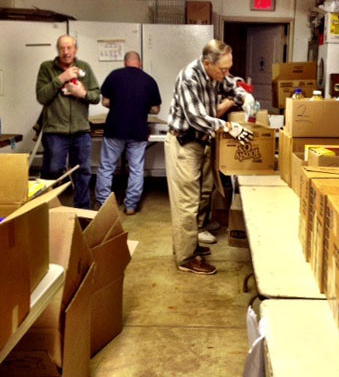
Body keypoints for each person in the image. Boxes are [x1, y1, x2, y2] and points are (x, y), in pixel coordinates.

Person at [165, 39, 255, 275]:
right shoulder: (189, 79)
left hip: (200, 142)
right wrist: (228, 127)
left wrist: (243, 96)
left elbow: (231, 83)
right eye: (222, 69)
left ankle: (189, 245)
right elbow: (196, 117)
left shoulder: (214, 74)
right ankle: (186, 258)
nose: (225, 73)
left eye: (228, 68)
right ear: (207, 63)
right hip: (184, 143)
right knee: (187, 202)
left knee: (198, 198)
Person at [36, 34, 100, 209]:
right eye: (62, 48)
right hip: (55, 132)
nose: (66, 52)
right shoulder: (46, 68)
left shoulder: (84, 68)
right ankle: (47, 208)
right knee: (53, 171)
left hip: (81, 131)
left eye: (69, 47)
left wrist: (83, 94)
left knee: (83, 172)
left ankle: (83, 211)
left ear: (75, 49)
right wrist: (61, 78)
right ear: (57, 50)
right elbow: (42, 96)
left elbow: (96, 96)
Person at [94, 51, 162, 215]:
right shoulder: (149, 80)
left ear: (125, 62)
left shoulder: (114, 76)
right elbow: (155, 109)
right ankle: (131, 206)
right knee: (136, 168)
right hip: (138, 130)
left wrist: (119, 105)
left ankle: (103, 204)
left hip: (115, 128)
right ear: (141, 63)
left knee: (106, 167)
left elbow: (105, 102)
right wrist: (140, 106)